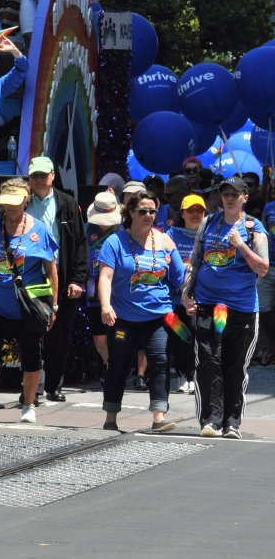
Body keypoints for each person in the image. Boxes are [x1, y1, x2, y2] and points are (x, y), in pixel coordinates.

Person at [0, 179, 59, 425]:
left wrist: (54, 306)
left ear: (26, 200)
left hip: (28, 307)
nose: (10, 208)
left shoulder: (40, 231)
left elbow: (52, 271)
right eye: (6, 203)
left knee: (31, 356)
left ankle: (28, 405)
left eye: (15, 203)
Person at [183, 175, 269, 438]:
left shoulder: (254, 228)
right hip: (209, 306)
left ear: (245, 197)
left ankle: (232, 422)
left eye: (235, 194)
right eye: (225, 193)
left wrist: (241, 245)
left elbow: (263, 268)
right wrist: (187, 294)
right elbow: (196, 260)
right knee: (209, 360)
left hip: (241, 308)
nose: (229, 198)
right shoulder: (209, 223)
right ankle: (211, 420)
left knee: (234, 365)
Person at [95, 189, 184, 432]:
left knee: (160, 361)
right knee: (118, 365)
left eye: (152, 211)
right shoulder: (115, 241)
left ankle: (158, 417)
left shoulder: (165, 240)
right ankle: (111, 417)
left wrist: (175, 255)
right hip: (123, 316)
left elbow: (179, 279)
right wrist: (105, 305)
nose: (148, 215)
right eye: (142, 211)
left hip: (158, 315)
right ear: (130, 213)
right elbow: (105, 277)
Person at [26, 158, 88, 403]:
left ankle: (54, 385)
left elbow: (81, 245)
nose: (39, 180)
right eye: (34, 176)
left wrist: (77, 280)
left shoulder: (68, 204)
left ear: (53, 175)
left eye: (43, 175)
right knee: (32, 335)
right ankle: (34, 388)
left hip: (61, 281)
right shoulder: (22, 201)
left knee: (59, 336)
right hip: (30, 280)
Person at [168, 194, 207, 392]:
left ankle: (194, 376)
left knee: (197, 336)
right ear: (181, 213)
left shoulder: (209, 233)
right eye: (190, 210)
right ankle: (183, 376)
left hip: (203, 297)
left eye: (199, 210)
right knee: (180, 337)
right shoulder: (171, 235)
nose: (194, 214)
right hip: (176, 299)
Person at [84, 191, 124, 371]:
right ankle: (110, 365)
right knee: (99, 335)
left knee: (119, 332)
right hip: (93, 289)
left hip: (119, 289)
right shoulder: (84, 230)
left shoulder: (123, 231)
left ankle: (117, 365)